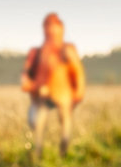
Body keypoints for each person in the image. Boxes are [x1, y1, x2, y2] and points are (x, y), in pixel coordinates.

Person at [21, 13, 85, 158]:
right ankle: (37, 156)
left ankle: (64, 154)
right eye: (48, 27)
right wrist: (35, 87)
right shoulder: (36, 53)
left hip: (63, 95)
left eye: (54, 27)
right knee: (37, 122)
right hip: (42, 96)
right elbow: (25, 77)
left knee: (65, 120)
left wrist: (77, 94)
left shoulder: (67, 50)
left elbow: (78, 73)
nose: (51, 32)